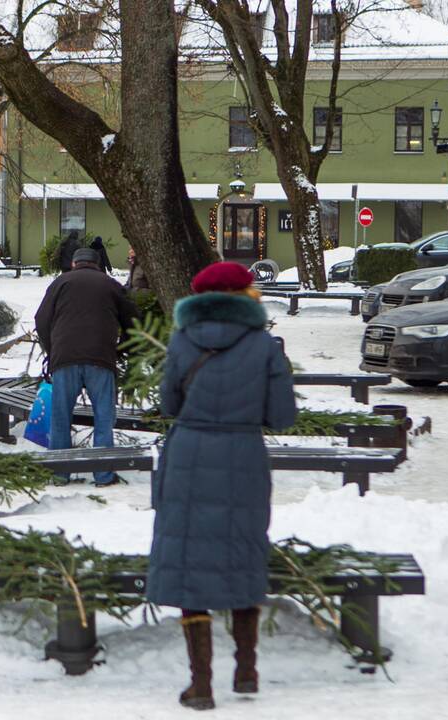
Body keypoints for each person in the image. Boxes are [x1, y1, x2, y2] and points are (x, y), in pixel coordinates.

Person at [146, 261, 297, 710]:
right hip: (244, 457)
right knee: (242, 556)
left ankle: (201, 685)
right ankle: (247, 671)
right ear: (245, 296)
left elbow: (168, 402)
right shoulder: (264, 345)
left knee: (191, 566)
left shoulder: (182, 339)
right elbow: (283, 416)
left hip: (190, 454)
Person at [34, 247, 133, 487]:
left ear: (74, 263)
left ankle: (60, 472)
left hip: (65, 358)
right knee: (104, 416)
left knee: (60, 417)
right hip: (101, 358)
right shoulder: (111, 284)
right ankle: (103, 474)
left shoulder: (60, 283)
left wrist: (52, 349)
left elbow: (41, 320)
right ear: (97, 264)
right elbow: (132, 321)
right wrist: (120, 350)